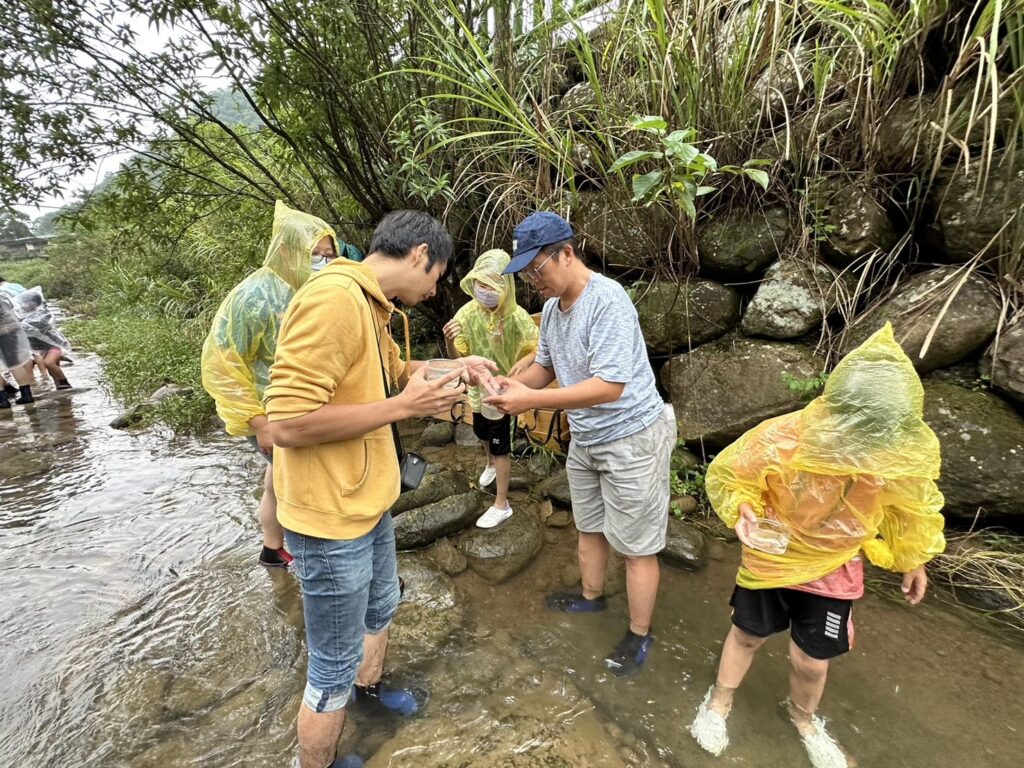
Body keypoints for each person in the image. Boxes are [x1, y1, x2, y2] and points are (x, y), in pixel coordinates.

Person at [265, 209, 496, 768]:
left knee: (382, 606)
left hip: (366, 501)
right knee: (331, 664)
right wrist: (404, 408)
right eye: (438, 276)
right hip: (327, 515)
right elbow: (286, 424)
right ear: (419, 254)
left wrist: (454, 365)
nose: (435, 288)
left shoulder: (372, 304)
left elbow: (394, 373)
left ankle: (367, 699)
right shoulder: (333, 300)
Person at [688, 322, 946, 768]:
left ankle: (803, 719)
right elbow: (737, 475)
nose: (863, 445)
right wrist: (745, 509)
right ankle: (719, 703)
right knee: (747, 634)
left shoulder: (895, 452)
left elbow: (911, 507)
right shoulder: (786, 437)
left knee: (812, 661)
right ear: (837, 411)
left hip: (835, 565)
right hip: (773, 554)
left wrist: (914, 559)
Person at [484, 211, 677, 678]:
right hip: (587, 438)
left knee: (637, 546)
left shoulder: (608, 301)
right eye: (526, 273)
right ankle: (591, 599)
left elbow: (610, 385)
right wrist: (508, 388)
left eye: (538, 269)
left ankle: (639, 632)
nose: (534, 281)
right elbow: (544, 369)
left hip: (632, 438)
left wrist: (535, 400)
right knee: (589, 527)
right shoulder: (552, 310)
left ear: (566, 254)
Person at [201, 200, 353, 568]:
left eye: (327, 254)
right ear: (286, 251)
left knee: (276, 480)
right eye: (313, 253)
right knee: (297, 486)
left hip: (304, 409)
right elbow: (223, 363)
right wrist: (259, 423)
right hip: (273, 414)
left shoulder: (312, 287)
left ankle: (272, 548)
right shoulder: (254, 297)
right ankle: (310, 560)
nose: (321, 260)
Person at [442, 248, 538, 528]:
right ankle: (490, 465)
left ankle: (502, 503)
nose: (485, 290)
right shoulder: (467, 313)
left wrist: (527, 361)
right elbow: (456, 358)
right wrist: (449, 341)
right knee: (480, 432)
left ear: (505, 286)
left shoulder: (517, 316)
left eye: (492, 283)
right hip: (476, 390)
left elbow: (540, 345)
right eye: (480, 283)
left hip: (502, 391)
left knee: (501, 446)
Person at [13, 287, 72, 390]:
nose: (22, 305)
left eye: (25, 303)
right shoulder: (24, 316)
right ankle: (61, 388)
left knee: (49, 363)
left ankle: (64, 382)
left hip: (55, 345)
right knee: (52, 369)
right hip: (42, 348)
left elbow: (36, 327)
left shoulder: (44, 314)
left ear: (34, 303)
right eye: (22, 303)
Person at [0, 293, 35, 408]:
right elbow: (12, 307)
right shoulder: (2, 295)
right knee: (14, 363)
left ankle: (2, 400)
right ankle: (26, 394)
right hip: (11, 329)